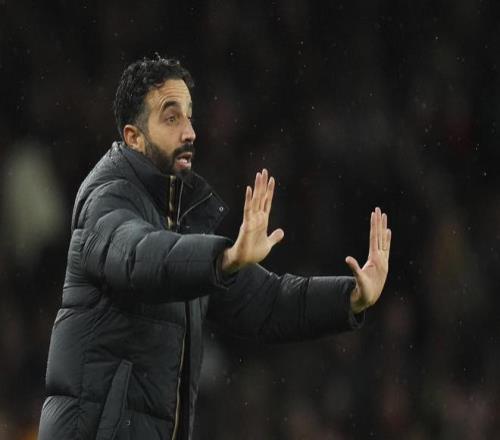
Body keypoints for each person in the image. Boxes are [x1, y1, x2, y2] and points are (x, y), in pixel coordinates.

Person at [38, 56, 391, 440]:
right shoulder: (106, 200)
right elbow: (138, 254)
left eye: (190, 117)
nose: (190, 131)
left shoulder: (182, 223)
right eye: (172, 118)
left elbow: (267, 302)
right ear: (133, 137)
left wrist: (351, 297)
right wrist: (224, 257)